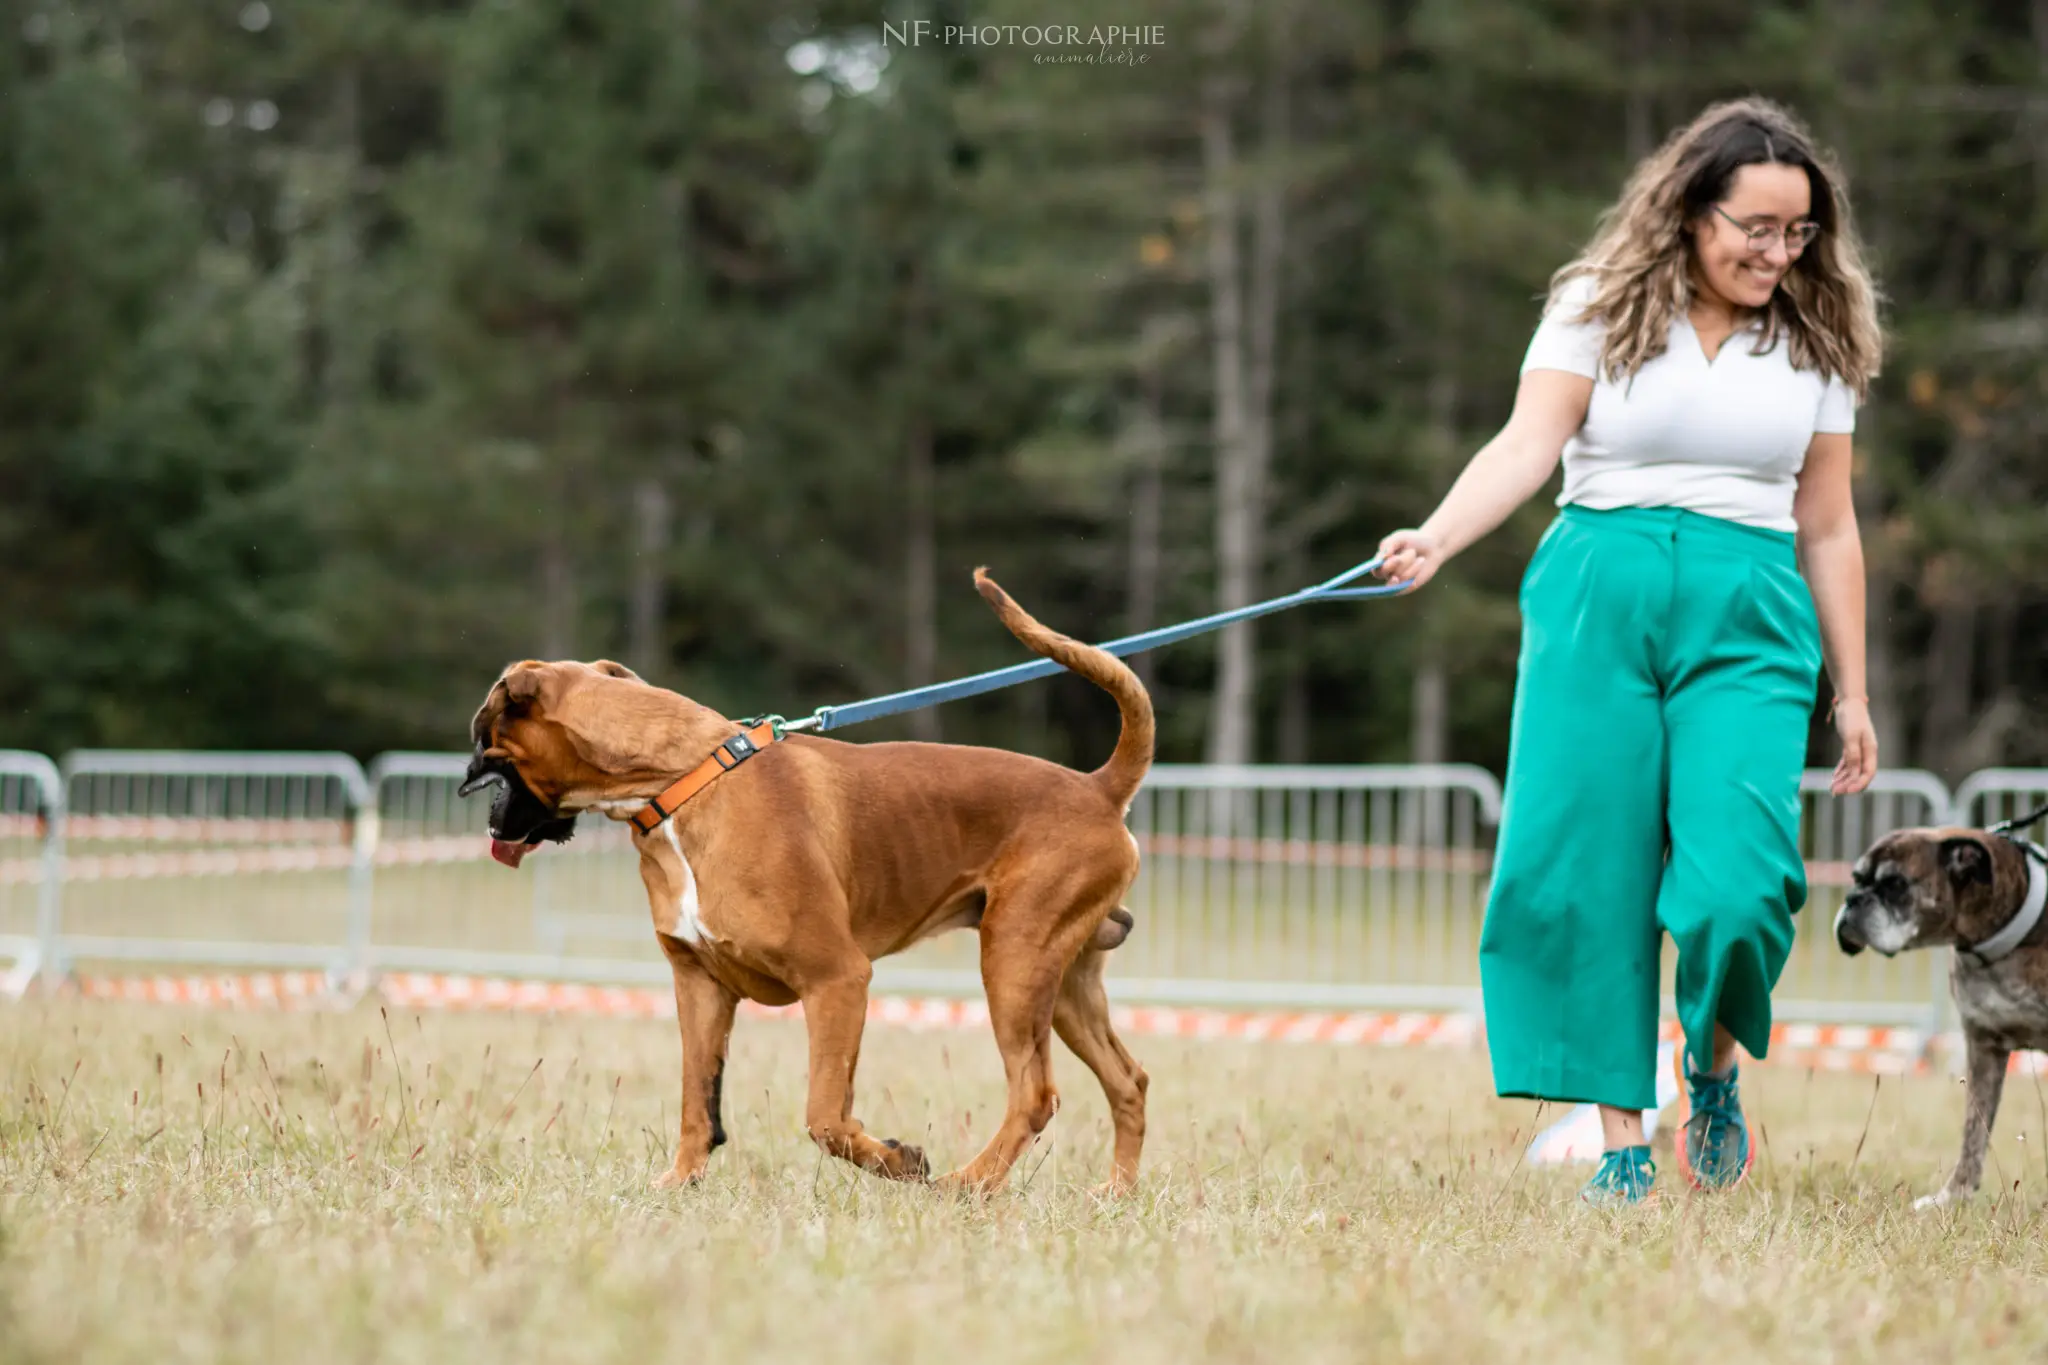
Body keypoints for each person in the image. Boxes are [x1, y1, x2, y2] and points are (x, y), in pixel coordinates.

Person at [1374, 97, 1883, 1205]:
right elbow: (1525, 444)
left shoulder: (1817, 333)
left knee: (1736, 890)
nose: (1777, 251)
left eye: (1797, 232)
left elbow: (1828, 523)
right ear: (1691, 212)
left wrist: (1852, 691)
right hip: (1594, 594)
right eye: (1755, 226)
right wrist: (1438, 535)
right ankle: (1619, 1138)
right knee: (1585, 872)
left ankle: (1706, 1069)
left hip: (1746, 608)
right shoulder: (1592, 307)